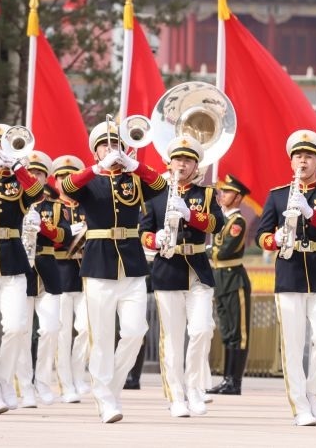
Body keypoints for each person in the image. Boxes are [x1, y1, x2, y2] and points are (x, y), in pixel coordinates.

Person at [60, 120, 167, 423]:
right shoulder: (90, 179)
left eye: (116, 144)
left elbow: (161, 187)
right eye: (105, 145)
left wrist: (136, 165)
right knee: (102, 337)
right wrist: (96, 168)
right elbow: (66, 187)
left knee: (135, 331)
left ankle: (110, 388)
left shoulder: (134, 178)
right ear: (95, 152)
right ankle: (105, 399)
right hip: (99, 264)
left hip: (132, 264)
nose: (111, 149)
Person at [256, 129, 316, 427]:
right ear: (291, 161)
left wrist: (310, 213)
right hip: (290, 273)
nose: (303, 161)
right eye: (298, 156)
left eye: (308, 156)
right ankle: (299, 406)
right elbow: (261, 235)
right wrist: (274, 239)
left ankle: (313, 393)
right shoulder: (277, 195)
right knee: (293, 346)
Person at [140, 135, 225, 417]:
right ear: (169, 162)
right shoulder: (156, 195)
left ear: (196, 165)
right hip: (168, 269)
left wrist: (190, 214)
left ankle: (195, 389)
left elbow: (217, 224)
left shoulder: (206, 194)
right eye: (178, 159)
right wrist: (155, 239)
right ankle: (176, 396)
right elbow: (143, 232)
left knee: (202, 330)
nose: (182, 164)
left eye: (188, 160)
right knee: (172, 340)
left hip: (198, 269)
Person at [0, 123, 44, 416]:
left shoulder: (20, 180)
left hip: (14, 261)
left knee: (17, 326)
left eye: (6, 147)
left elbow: (38, 193)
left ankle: (5, 383)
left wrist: (18, 167)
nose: (2, 153)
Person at [14, 150, 69, 407]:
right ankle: (25, 387)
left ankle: (44, 382)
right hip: (20, 268)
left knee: (51, 328)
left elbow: (64, 237)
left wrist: (43, 227)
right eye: (31, 172)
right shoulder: (14, 202)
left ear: (46, 178)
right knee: (22, 331)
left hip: (47, 270)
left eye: (39, 173)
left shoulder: (56, 207)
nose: (34, 177)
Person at [207, 173, 253, 395]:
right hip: (220, 279)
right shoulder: (222, 219)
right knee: (226, 331)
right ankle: (227, 380)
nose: (222, 194)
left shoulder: (238, 222)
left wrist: (206, 250)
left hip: (234, 279)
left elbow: (224, 251)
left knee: (238, 332)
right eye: (222, 191)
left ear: (238, 197)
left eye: (227, 192)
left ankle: (235, 381)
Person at [52, 154, 91, 403]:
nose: (66, 180)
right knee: (62, 332)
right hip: (61, 273)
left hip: (86, 272)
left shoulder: (89, 205)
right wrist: (67, 234)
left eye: (71, 176)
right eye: (62, 176)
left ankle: (78, 375)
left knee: (86, 328)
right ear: (55, 181)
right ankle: (65, 384)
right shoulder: (50, 207)